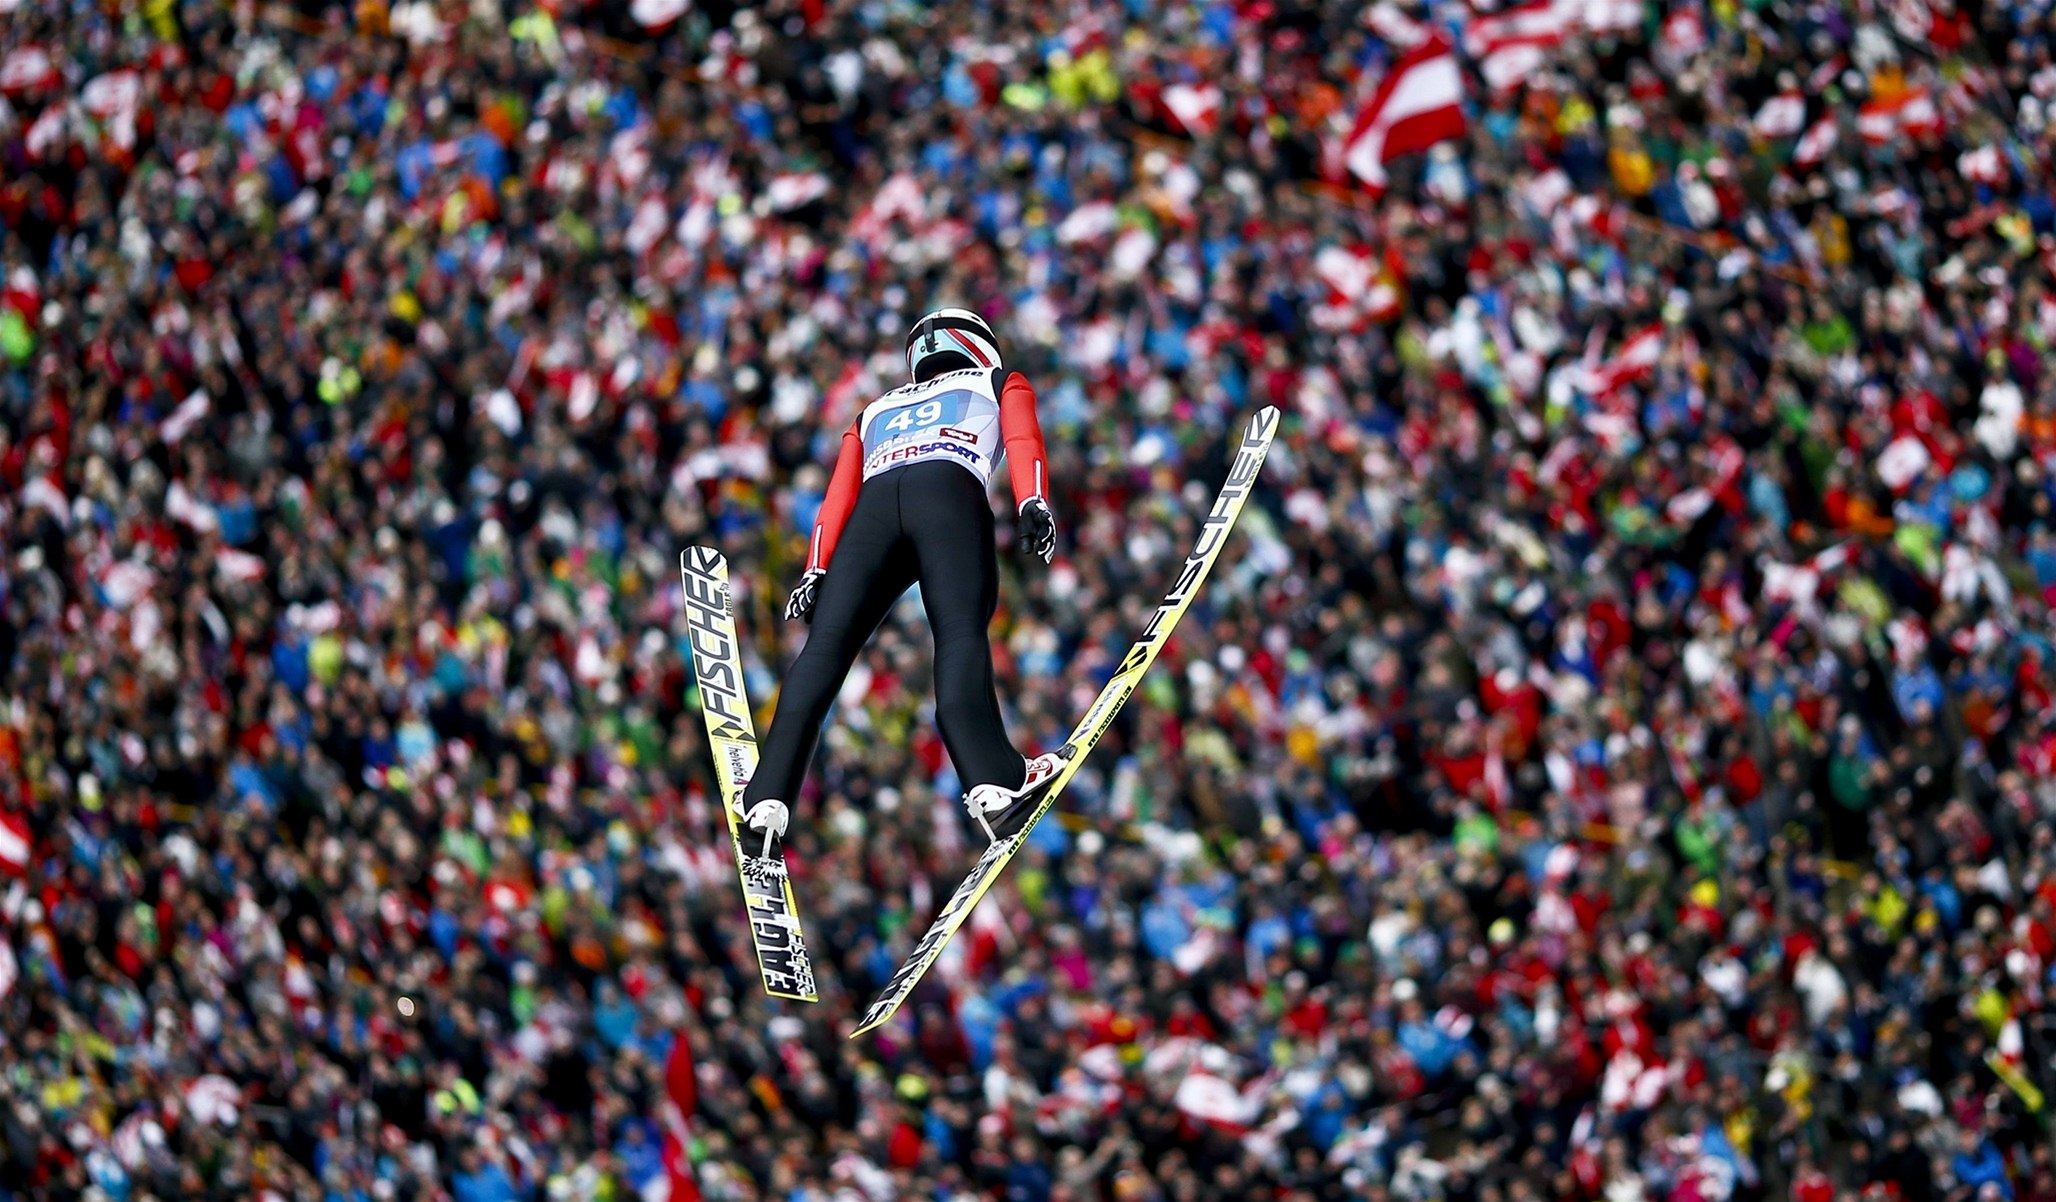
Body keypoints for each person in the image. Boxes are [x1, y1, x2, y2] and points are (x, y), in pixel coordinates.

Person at [737, 309, 1065, 855]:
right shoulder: (996, 379)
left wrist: (816, 567)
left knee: (823, 650)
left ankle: (765, 799)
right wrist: (1033, 500)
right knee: (958, 632)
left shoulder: (874, 410)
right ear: (978, 343)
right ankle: (992, 782)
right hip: (948, 493)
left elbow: (837, 497)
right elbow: (1022, 435)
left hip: (871, 517)